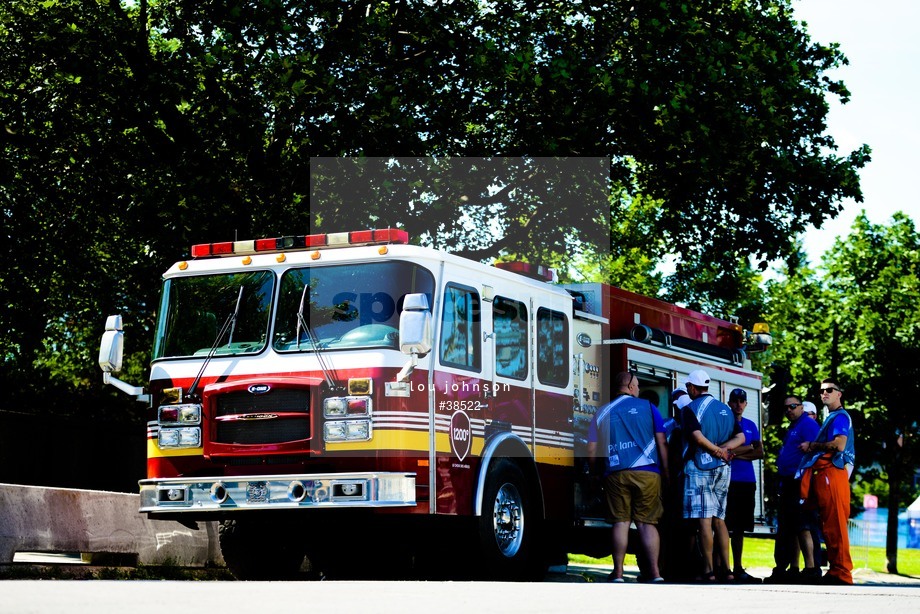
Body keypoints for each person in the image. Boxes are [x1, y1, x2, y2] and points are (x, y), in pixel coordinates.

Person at [587, 371, 669, 583]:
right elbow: (662, 443)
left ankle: (619, 573)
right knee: (647, 523)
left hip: (616, 473)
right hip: (648, 473)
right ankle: (655, 574)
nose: (639, 390)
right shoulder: (650, 408)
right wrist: (667, 473)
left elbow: (592, 449)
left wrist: (595, 473)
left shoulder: (602, 412)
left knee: (621, 522)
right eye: (638, 386)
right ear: (631, 387)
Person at [681, 369, 745, 582]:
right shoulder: (725, 409)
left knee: (704, 520)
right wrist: (725, 450)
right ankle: (726, 570)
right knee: (720, 519)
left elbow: (697, 438)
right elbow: (741, 437)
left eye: (688, 387)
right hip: (723, 469)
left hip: (700, 467)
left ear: (692, 387)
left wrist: (716, 450)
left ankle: (708, 570)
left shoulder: (690, 409)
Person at [798, 378, 856, 585]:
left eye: (830, 390)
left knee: (836, 526)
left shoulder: (840, 417)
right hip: (828, 475)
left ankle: (842, 573)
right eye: (822, 390)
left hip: (833, 473)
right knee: (830, 526)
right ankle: (835, 570)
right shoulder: (832, 417)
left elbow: (839, 445)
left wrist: (813, 445)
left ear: (839, 393)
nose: (825, 393)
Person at [765, 395, 821, 584]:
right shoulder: (793, 427)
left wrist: (803, 474)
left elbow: (818, 452)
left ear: (801, 407)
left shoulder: (808, 425)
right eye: (786, 408)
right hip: (788, 481)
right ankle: (790, 568)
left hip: (800, 482)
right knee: (788, 527)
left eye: (793, 406)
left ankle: (812, 569)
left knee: (803, 525)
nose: (789, 410)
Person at [722, 388, 764, 583]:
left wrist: (736, 452)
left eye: (742, 401)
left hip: (747, 481)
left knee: (739, 528)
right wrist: (746, 449)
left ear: (746, 404)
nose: (738, 404)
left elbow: (759, 452)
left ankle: (738, 567)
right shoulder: (725, 424)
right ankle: (723, 566)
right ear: (729, 402)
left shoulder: (751, 425)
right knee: (723, 526)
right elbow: (722, 449)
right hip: (727, 481)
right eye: (735, 400)